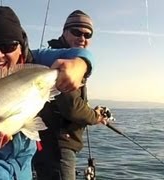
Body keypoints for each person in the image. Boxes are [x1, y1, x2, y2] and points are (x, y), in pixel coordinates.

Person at [0, 6, 94, 180]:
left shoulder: (34, 58)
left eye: (8, 46)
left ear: (20, 46)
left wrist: (80, 65)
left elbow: (80, 53)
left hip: (23, 158)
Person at [33, 10, 108, 180]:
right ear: (64, 32)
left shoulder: (71, 59)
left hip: (49, 145)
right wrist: (95, 116)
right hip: (58, 145)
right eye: (76, 32)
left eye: (87, 34)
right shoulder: (64, 64)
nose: (82, 38)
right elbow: (72, 108)